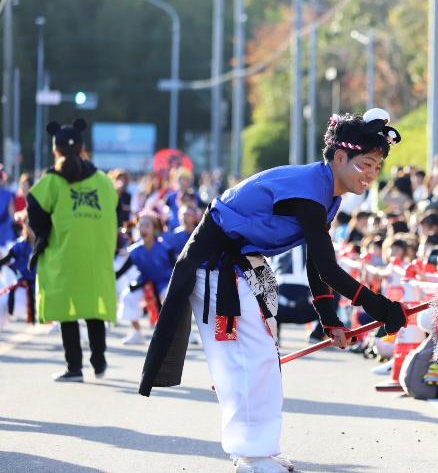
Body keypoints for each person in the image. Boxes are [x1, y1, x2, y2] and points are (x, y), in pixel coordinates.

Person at [139, 110, 408, 473]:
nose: (372, 175)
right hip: (217, 265)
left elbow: (317, 263)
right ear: (340, 157)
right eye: (367, 164)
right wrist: (380, 306)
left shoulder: (326, 192)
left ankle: (260, 450)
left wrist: (330, 319)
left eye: (377, 167)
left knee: (262, 358)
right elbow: (328, 267)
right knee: (246, 362)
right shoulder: (311, 191)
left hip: (242, 265)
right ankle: (250, 455)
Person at [26, 119, 118, 382]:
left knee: (68, 312)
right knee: (93, 307)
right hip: (95, 255)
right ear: (82, 147)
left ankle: (74, 367)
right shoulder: (102, 180)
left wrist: (45, 234)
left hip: (63, 255)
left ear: (55, 150)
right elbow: (115, 212)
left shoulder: (52, 180)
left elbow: (33, 204)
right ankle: (98, 359)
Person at [115, 212, 175, 344]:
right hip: (145, 283)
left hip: (165, 283)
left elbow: (177, 268)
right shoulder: (135, 250)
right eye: (140, 225)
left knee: (169, 297)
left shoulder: (165, 248)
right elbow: (121, 271)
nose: (143, 228)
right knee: (127, 296)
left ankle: (178, 333)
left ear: (154, 228)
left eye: (147, 225)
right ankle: (137, 333)